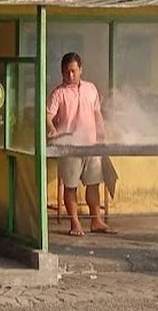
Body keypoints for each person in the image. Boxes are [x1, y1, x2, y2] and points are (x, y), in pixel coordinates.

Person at [46, 52, 113, 237]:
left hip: (91, 145)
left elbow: (97, 113)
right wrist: (52, 129)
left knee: (93, 184)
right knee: (71, 186)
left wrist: (101, 132)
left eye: (73, 71)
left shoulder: (91, 89)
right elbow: (48, 116)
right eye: (66, 72)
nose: (70, 75)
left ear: (81, 69)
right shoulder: (58, 93)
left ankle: (96, 220)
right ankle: (74, 223)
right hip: (69, 148)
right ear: (62, 72)